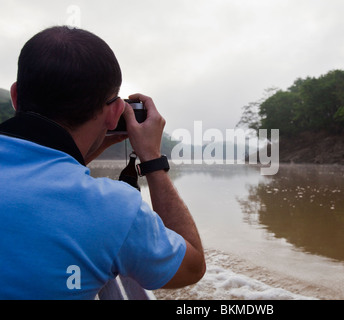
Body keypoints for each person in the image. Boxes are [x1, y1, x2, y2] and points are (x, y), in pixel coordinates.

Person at [0, 26, 206, 299]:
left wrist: (92, 144)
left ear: (15, 97)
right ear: (116, 113)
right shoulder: (113, 209)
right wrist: (152, 159)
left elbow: (42, 171)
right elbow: (191, 267)